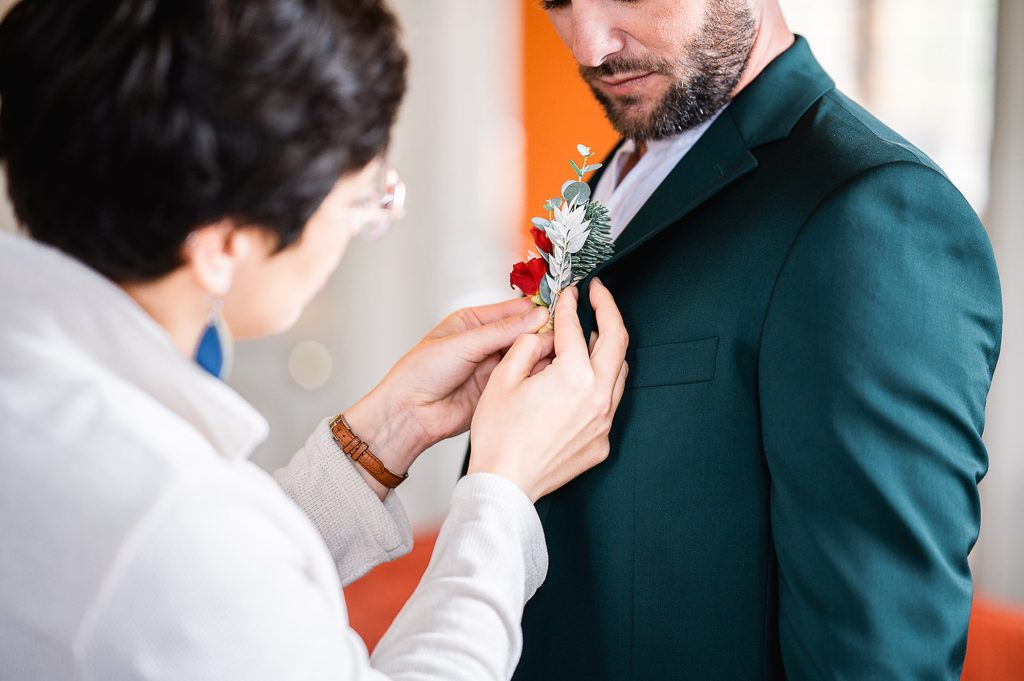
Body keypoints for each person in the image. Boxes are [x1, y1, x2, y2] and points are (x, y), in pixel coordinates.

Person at [0, 1, 630, 680]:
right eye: (362, 202)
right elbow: (193, 566)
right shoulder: (163, 520)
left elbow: (214, 591)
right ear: (226, 242)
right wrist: (501, 495)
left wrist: (384, 433)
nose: (362, 228)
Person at [504, 0, 1003, 679]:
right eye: (558, 1)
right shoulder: (615, 174)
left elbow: (874, 658)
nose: (590, 46)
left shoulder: (874, 216)